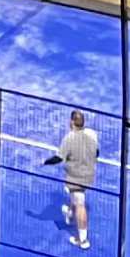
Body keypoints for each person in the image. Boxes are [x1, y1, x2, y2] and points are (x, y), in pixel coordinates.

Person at [47, 106, 100, 248]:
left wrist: (45, 162)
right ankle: (70, 214)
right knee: (75, 197)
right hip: (88, 174)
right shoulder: (91, 134)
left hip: (76, 177)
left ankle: (82, 240)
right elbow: (97, 153)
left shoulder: (69, 138)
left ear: (71, 122)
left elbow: (58, 158)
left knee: (80, 204)